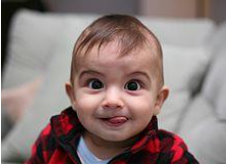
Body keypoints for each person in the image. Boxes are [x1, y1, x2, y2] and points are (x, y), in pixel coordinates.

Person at [26, 14, 198, 164]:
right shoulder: (54, 139)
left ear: (158, 100)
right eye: (96, 84)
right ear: (73, 96)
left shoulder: (169, 154)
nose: (112, 101)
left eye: (132, 85)